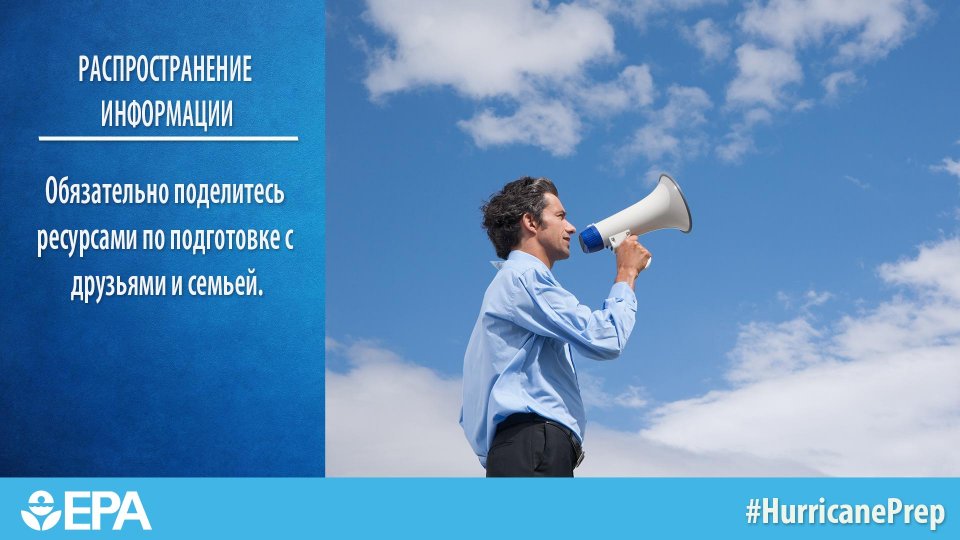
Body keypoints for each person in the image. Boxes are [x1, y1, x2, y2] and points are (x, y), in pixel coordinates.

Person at [460, 176, 651, 477]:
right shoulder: (524, 277)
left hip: (522, 450)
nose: (571, 228)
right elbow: (606, 338)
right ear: (531, 223)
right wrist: (626, 273)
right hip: (535, 445)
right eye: (560, 216)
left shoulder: (511, 284)